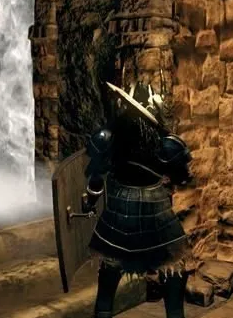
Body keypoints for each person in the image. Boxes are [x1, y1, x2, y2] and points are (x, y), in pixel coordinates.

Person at [81, 80, 194, 318]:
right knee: (172, 270)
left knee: (110, 271)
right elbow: (182, 178)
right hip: (157, 211)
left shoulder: (108, 136)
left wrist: (90, 202)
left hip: (119, 212)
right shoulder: (167, 144)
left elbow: (96, 177)